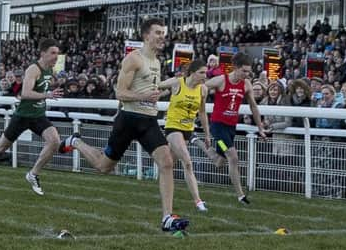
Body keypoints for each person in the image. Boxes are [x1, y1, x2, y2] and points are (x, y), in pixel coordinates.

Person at [59, 18, 190, 233]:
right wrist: (145, 95)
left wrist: (165, 89)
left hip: (148, 120)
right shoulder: (133, 59)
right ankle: (76, 142)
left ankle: (167, 217)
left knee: (166, 162)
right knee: (104, 167)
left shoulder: (157, 61)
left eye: (163, 33)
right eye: (158, 33)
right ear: (146, 35)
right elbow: (120, 93)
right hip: (128, 119)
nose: (162, 37)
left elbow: (151, 89)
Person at [0, 38, 65, 196]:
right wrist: (47, 95)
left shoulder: (50, 70)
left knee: (54, 141)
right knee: (0, 147)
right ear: (43, 53)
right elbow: (24, 93)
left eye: (57, 53)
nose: (56, 57)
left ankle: (33, 174)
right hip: (23, 116)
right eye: (53, 53)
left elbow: (40, 89)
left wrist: (50, 91)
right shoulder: (34, 69)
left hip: (38, 115)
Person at [198, 52, 266, 205]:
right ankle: (241, 196)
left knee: (219, 162)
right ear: (235, 67)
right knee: (233, 156)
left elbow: (253, 107)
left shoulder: (246, 84)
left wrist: (260, 128)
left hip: (231, 128)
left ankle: (197, 142)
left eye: (248, 71)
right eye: (244, 71)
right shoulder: (221, 80)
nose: (247, 74)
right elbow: (200, 87)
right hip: (217, 127)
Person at [159, 59, 210, 212]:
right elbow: (158, 85)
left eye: (205, 73)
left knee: (168, 164)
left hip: (188, 128)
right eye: (201, 72)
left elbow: (202, 112)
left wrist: (207, 134)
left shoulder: (203, 90)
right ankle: (198, 201)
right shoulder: (177, 83)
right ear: (192, 72)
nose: (204, 76)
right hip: (173, 127)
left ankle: (163, 190)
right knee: (187, 161)